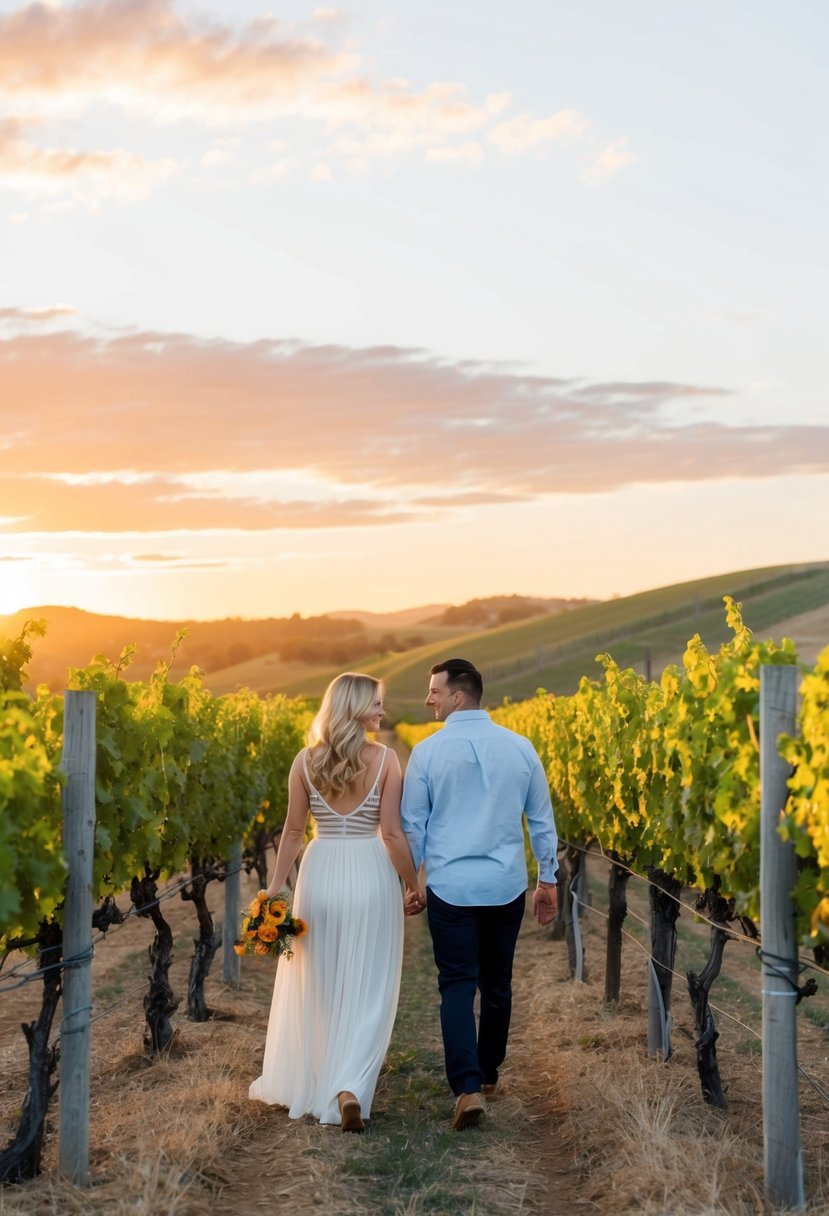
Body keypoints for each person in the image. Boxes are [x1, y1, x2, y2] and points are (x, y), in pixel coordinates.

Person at [249, 672, 424, 1131]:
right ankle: (348, 1086)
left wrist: (273, 889)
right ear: (355, 707)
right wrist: (412, 884)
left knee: (321, 980)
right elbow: (389, 832)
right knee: (368, 984)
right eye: (377, 705)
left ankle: (327, 1077)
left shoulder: (304, 762)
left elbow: (290, 832)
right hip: (370, 872)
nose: (383, 713)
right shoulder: (386, 760)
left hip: (320, 870)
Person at [401, 658, 558, 1132]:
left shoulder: (427, 753)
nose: (427, 699)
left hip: (451, 888)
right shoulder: (521, 747)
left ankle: (467, 1088)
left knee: (455, 985)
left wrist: (414, 881)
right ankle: (488, 1074)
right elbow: (542, 822)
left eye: (434, 691)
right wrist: (546, 879)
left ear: (458, 696)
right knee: (497, 983)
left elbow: (413, 825)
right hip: (505, 885)